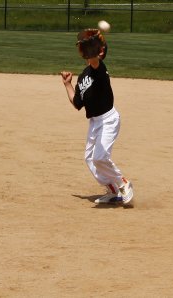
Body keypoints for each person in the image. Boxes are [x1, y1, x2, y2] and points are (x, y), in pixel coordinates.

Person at [60, 29, 134, 207]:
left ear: (99, 52)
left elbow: (94, 60)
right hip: (95, 122)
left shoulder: (99, 70)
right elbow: (77, 103)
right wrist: (68, 84)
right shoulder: (84, 76)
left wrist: (94, 53)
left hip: (108, 119)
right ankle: (113, 190)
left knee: (100, 157)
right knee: (90, 158)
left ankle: (123, 183)